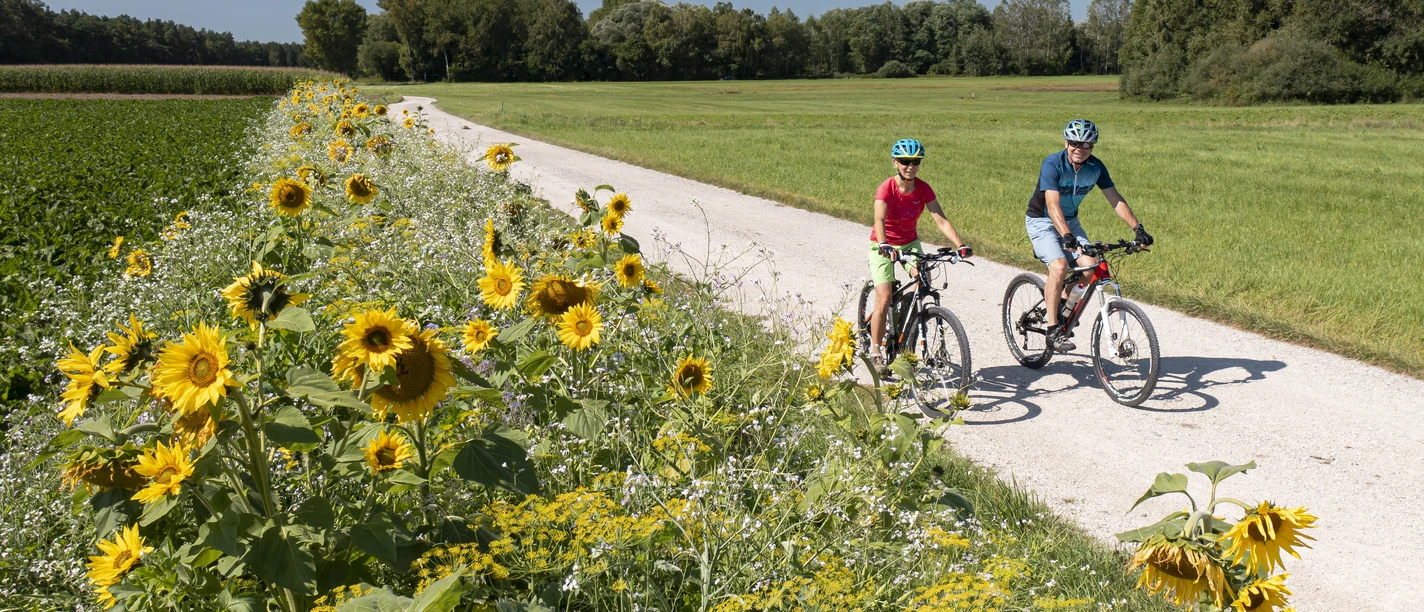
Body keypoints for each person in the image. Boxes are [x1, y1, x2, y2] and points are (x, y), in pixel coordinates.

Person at [1025, 119, 1153, 352]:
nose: (1080, 149)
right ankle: (1053, 330)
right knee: (1059, 266)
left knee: (1091, 267)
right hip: (1042, 220)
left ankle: (1064, 305)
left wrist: (1138, 229)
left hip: (1070, 221)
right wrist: (1065, 235)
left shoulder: (1096, 167)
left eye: (1086, 144)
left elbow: (1115, 199)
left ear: (1092, 147)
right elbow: (1052, 204)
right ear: (1066, 142)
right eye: (1075, 142)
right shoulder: (1053, 164)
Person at [868, 138, 972, 369]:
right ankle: (876, 351)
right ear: (896, 162)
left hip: (910, 243)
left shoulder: (923, 188)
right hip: (882, 245)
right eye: (905, 161)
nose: (910, 166)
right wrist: (884, 244)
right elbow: (879, 219)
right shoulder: (886, 188)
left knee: (923, 281)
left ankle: (906, 321)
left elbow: (940, 218)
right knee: (884, 298)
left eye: (915, 162)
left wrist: (960, 244)